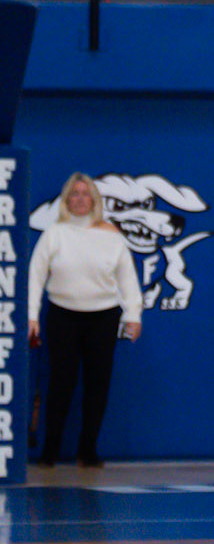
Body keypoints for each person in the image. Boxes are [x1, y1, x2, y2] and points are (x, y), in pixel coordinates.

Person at [27, 173, 141, 468]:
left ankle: (87, 451)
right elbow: (36, 274)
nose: (80, 199)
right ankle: (50, 451)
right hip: (62, 316)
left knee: (97, 386)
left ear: (94, 200)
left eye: (85, 193)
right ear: (66, 200)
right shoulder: (54, 233)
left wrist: (133, 314)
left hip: (104, 318)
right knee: (60, 384)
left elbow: (127, 278)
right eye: (74, 194)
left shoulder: (111, 235)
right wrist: (31, 315)